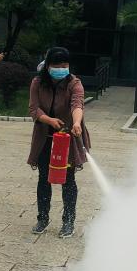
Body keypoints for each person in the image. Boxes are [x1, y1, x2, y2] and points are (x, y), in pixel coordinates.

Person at [28, 46, 91, 238]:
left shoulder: (74, 83)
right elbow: (33, 109)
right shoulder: (38, 82)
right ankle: (42, 218)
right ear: (48, 66)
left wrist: (77, 122)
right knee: (44, 177)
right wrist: (49, 120)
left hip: (68, 138)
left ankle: (68, 221)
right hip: (45, 137)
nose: (61, 69)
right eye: (57, 66)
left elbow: (77, 104)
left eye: (65, 65)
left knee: (68, 180)